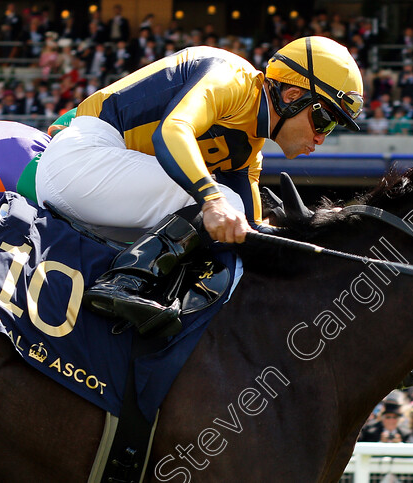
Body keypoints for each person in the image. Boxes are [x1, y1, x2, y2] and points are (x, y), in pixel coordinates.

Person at [33, 36, 363, 336]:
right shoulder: (230, 75)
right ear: (292, 96)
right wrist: (211, 198)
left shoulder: (250, 150)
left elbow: (249, 232)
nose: (322, 136)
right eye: (325, 120)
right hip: (80, 159)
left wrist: (313, 236)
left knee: (232, 226)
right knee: (224, 200)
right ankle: (123, 282)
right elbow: (172, 131)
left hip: (100, 184)